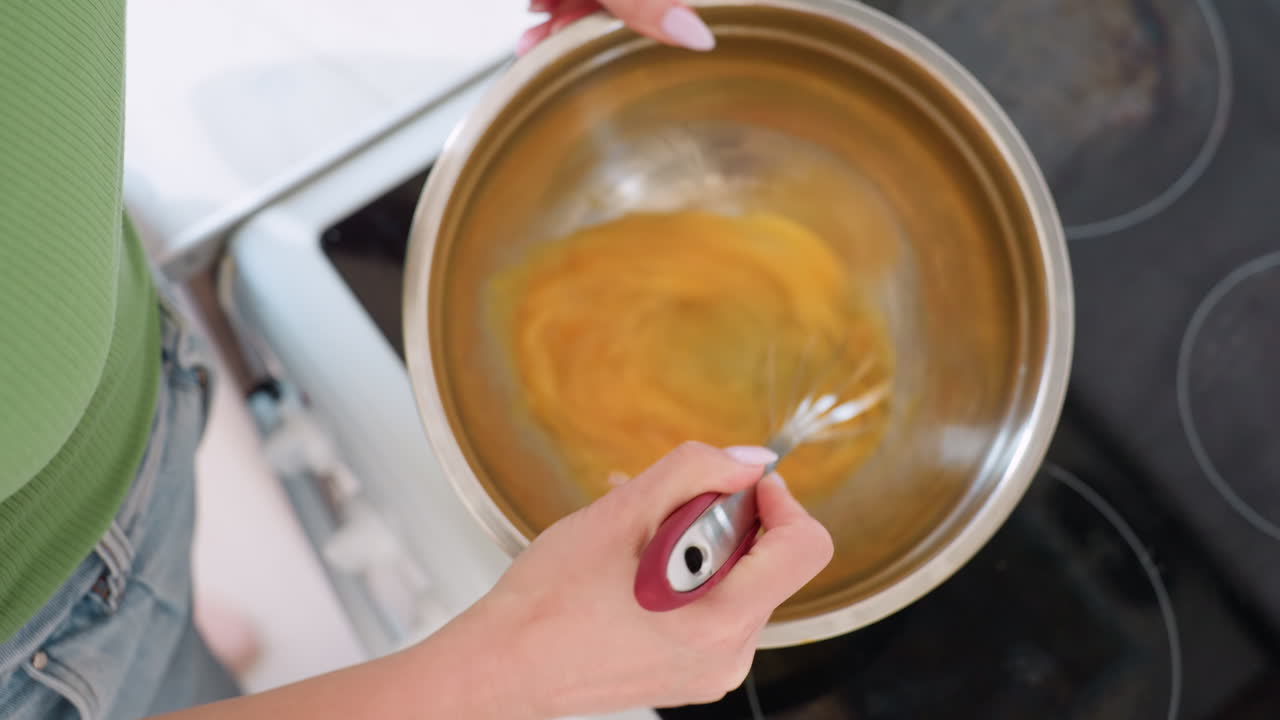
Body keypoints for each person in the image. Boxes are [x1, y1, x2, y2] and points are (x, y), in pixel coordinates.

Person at [0, 1, 833, 718]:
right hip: (24, 655)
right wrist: (514, 668)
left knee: (160, 640)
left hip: (112, 423)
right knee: (127, 672)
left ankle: (148, 638)